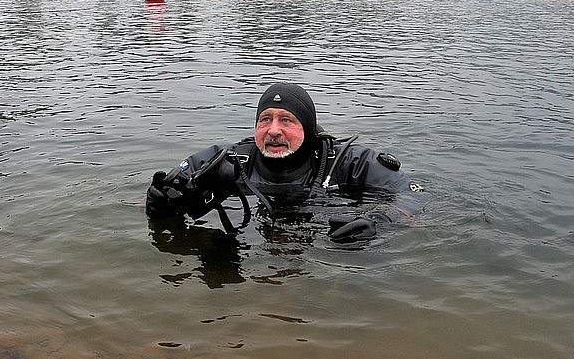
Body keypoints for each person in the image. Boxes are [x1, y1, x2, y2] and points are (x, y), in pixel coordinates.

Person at [145, 82, 422, 243]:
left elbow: (413, 196)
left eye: (286, 120)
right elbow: (169, 186)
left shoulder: (351, 162)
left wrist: (380, 221)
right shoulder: (229, 158)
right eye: (265, 119)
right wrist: (159, 202)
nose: (274, 130)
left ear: (309, 128)